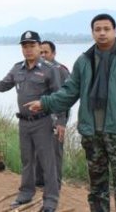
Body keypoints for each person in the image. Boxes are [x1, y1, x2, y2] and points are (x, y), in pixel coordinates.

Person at [28, 14, 116, 212]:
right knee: (97, 186)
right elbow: (69, 92)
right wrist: (45, 103)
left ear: (115, 31)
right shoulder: (84, 60)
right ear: (92, 32)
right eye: (98, 29)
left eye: (106, 29)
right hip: (91, 133)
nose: (102, 33)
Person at [0, 30, 62, 212]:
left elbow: (60, 97)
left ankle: (50, 201)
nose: (28, 50)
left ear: (39, 46)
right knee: (27, 160)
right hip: (24, 123)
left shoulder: (49, 69)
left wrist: (61, 122)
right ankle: (26, 193)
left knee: (47, 161)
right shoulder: (17, 68)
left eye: (32, 46)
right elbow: (2, 86)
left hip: (43, 122)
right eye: (25, 46)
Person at [35, 40, 70, 188]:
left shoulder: (61, 70)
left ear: (53, 53)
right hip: (39, 118)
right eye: (40, 52)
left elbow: (68, 96)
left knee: (55, 152)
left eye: (46, 52)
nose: (43, 55)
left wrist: (61, 120)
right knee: (38, 150)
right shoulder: (36, 69)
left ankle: (55, 184)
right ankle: (39, 181)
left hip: (56, 117)